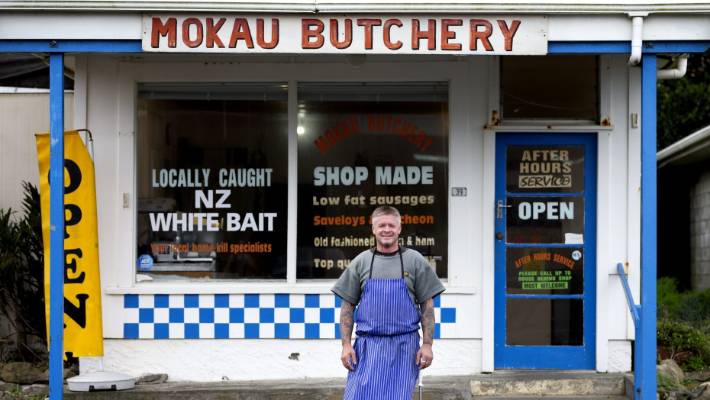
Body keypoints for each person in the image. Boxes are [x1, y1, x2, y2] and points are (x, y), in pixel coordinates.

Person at [331, 205, 445, 400]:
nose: (386, 229)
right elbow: (347, 306)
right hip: (368, 348)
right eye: (381, 225)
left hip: (404, 348)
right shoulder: (361, 262)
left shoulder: (415, 261)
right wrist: (346, 345)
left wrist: (427, 345)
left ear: (399, 229)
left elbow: (427, 306)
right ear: (373, 229)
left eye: (391, 225)